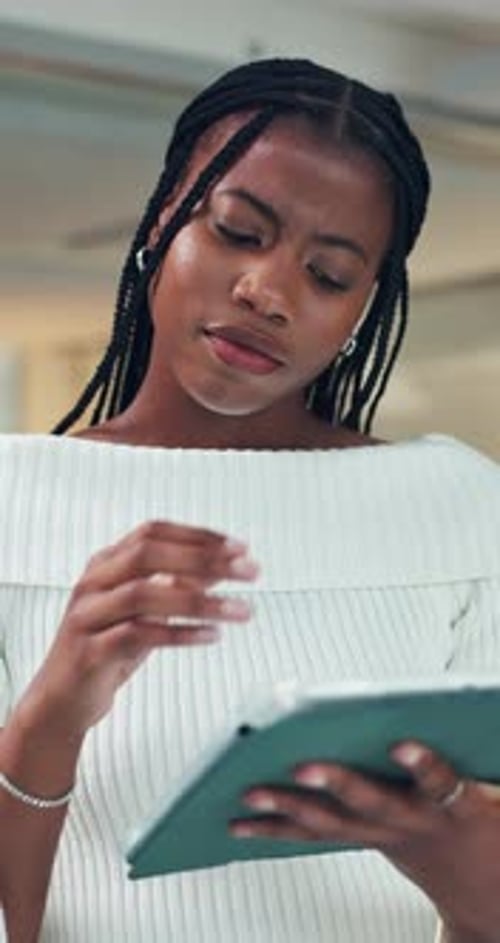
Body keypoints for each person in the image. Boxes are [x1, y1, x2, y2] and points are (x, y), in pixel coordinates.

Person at [1, 57, 500, 943]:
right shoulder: (13, 499)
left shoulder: (460, 506)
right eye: (237, 230)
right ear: (164, 222)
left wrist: (474, 891)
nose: (267, 292)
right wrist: (53, 713)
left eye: (332, 275)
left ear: (362, 313)